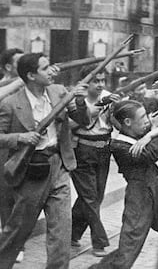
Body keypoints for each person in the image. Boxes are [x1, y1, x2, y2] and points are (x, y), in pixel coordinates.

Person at [0, 53, 90, 269]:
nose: (51, 71)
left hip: (59, 166)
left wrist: (80, 101)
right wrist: (21, 138)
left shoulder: (59, 92)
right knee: (19, 229)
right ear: (31, 75)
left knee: (62, 232)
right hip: (31, 170)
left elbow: (83, 120)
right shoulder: (11, 103)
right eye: (45, 68)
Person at [89, 100, 158, 269]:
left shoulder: (145, 133)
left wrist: (150, 134)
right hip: (141, 197)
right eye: (142, 117)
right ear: (128, 122)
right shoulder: (119, 145)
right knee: (129, 248)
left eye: (146, 115)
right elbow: (150, 154)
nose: (147, 120)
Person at [70, 65, 120, 257]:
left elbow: (115, 123)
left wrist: (118, 108)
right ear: (85, 82)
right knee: (90, 197)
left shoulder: (109, 96)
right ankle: (99, 242)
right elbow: (77, 122)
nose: (100, 85)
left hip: (104, 149)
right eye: (95, 81)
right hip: (83, 149)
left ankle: (72, 233)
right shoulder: (76, 99)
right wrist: (100, 105)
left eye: (102, 80)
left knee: (94, 196)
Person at [0, 48, 25, 262]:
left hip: (24, 142)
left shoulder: (31, 84)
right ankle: (9, 240)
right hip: (2, 142)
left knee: (22, 194)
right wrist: (22, 80)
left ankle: (18, 239)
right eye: (21, 62)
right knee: (4, 192)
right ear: (9, 67)